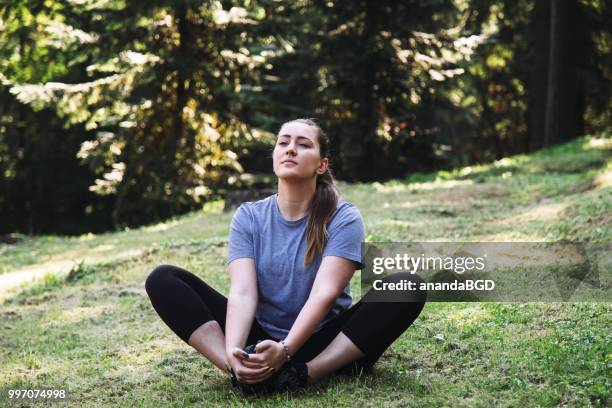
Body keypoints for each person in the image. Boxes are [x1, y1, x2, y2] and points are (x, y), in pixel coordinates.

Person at [145, 118, 427, 394]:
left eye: (303, 145)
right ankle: (241, 373)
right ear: (275, 156)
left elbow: (324, 293)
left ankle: (306, 373)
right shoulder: (249, 217)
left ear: (322, 164)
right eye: (283, 143)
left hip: (326, 341)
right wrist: (234, 354)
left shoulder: (344, 217)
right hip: (262, 339)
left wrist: (287, 350)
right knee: (164, 279)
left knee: (406, 286)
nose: (290, 149)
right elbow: (243, 293)